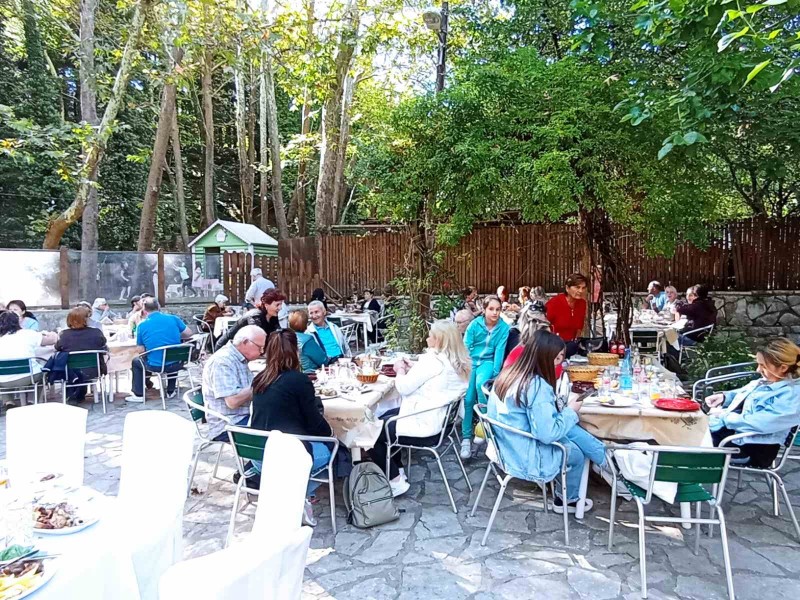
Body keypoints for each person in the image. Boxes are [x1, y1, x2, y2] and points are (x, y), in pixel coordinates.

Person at [487, 330, 606, 514]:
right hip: (525, 456)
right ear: (543, 357)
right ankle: (569, 498)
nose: (559, 363)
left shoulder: (509, 374)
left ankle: (605, 460)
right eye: (557, 358)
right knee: (576, 453)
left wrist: (565, 413)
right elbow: (547, 434)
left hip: (505, 445)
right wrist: (571, 411)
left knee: (571, 430)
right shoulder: (536, 386)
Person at [370, 321, 471, 496]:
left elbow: (403, 388)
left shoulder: (433, 361)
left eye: (430, 336)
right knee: (384, 416)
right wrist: (414, 367)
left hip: (425, 425)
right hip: (442, 423)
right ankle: (397, 470)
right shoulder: (456, 362)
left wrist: (400, 369)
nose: (427, 339)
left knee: (369, 432)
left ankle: (395, 480)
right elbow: (435, 379)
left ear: (439, 340)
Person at [250, 329, 334, 526]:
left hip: (258, 454)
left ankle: (289, 496)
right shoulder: (299, 380)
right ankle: (300, 497)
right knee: (335, 451)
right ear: (296, 351)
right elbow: (314, 422)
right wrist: (331, 434)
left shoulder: (259, 379)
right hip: (287, 455)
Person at [706, 338, 800, 468]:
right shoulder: (769, 381)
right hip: (737, 438)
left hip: (752, 449)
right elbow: (745, 393)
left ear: (783, 367)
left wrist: (724, 417)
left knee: (691, 444)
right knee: (688, 433)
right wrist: (724, 397)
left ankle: (691, 477)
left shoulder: (792, 395)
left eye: (763, 366)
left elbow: (762, 423)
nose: (757, 370)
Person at [461, 295, 510, 458]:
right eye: (491, 309)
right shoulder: (474, 325)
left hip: (487, 362)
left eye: (498, 309)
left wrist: (495, 375)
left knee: (481, 385)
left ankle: (486, 428)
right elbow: (466, 346)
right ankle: (466, 438)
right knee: (468, 399)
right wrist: (466, 366)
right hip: (471, 362)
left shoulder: (504, 328)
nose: (495, 313)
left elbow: (499, 351)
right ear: (484, 309)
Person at [201, 325, 267, 442]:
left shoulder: (238, 357)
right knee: (279, 427)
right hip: (228, 425)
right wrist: (261, 384)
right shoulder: (222, 362)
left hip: (242, 416)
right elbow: (232, 401)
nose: (262, 352)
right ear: (245, 342)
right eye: (260, 347)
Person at [127, 298, 193, 403]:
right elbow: (189, 333)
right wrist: (174, 335)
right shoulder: (173, 319)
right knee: (172, 354)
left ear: (144, 310)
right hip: (177, 363)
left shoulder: (142, 325)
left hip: (156, 365)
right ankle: (171, 391)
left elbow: (141, 350)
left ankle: (139, 394)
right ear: (159, 307)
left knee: (136, 361)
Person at [0, 311, 56, 407]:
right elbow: (52, 340)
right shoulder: (28, 333)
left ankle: (8, 402)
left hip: (3, 381)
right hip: (28, 377)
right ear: (18, 322)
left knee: (6, 373)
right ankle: (32, 400)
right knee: (42, 373)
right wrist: (53, 334)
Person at [55, 306, 108, 402]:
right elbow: (103, 344)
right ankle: (78, 395)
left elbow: (57, 347)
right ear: (86, 319)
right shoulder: (96, 332)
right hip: (94, 370)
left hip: (70, 371)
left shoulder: (64, 335)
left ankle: (72, 395)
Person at [215, 289, 285, 351]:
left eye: (281, 304)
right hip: (226, 349)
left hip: (244, 350)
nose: (280, 308)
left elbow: (277, 335)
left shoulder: (273, 317)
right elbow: (256, 340)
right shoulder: (255, 317)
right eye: (277, 305)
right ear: (266, 305)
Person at [545, 273, 588, 357]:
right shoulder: (554, 303)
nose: (581, 291)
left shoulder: (582, 304)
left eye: (583, 288)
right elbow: (543, 327)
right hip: (553, 347)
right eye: (577, 287)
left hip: (571, 347)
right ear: (567, 288)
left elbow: (579, 328)